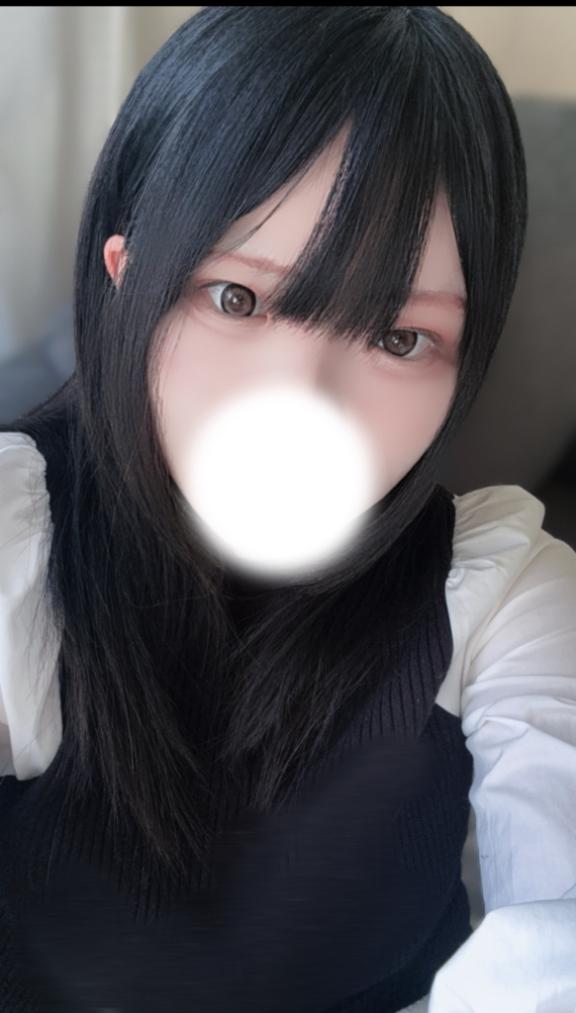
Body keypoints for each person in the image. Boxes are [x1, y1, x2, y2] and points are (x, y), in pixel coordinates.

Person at [0, 7, 575, 1012]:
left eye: (399, 338)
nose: (305, 401)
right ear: (126, 274)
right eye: (238, 298)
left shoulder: (504, 594)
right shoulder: (17, 539)